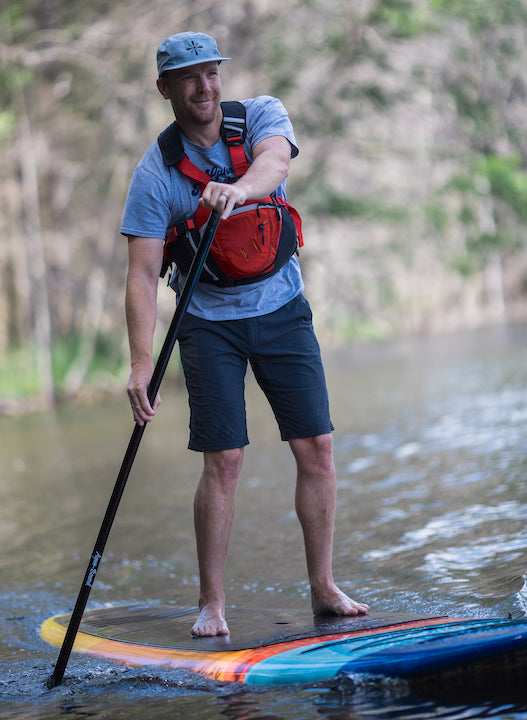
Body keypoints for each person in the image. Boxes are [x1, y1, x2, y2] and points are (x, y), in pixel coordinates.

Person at [121, 31, 369, 637]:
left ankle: (324, 586)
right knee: (224, 460)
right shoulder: (156, 174)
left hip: (282, 307)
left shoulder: (261, 115)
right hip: (206, 325)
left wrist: (241, 188)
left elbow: (276, 163)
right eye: (189, 78)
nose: (204, 87)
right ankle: (212, 604)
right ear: (166, 89)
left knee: (317, 447)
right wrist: (138, 363)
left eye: (211, 74)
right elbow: (143, 274)